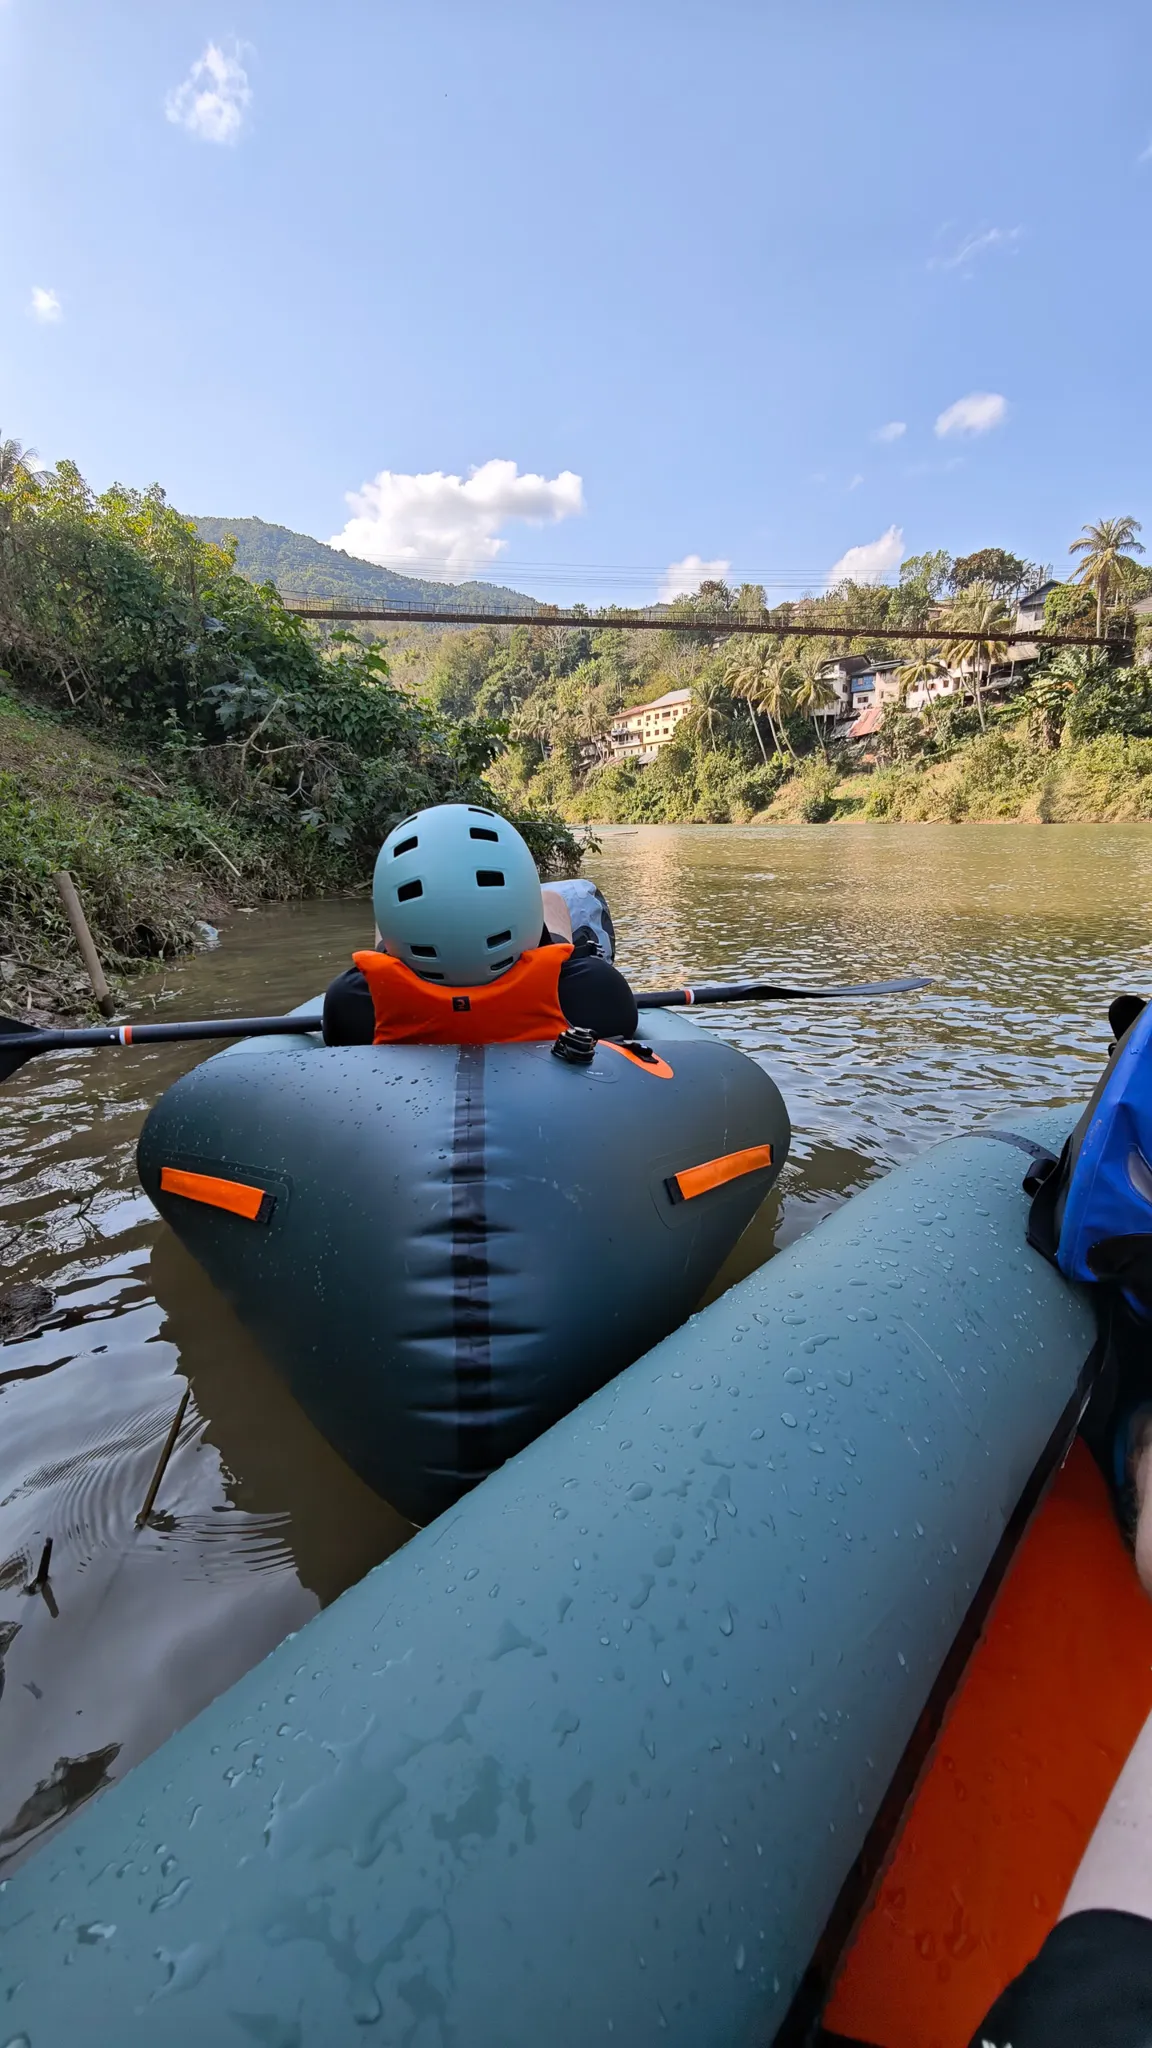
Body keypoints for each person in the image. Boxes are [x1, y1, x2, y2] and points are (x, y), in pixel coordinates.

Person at [323, 802, 638, 1046]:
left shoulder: (351, 1004)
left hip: (402, 989)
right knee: (552, 898)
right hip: (545, 984)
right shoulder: (597, 993)